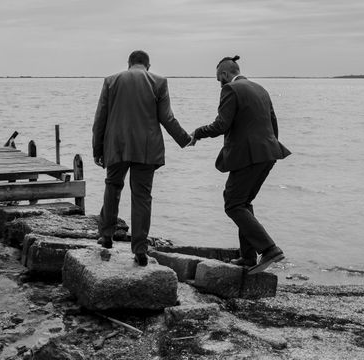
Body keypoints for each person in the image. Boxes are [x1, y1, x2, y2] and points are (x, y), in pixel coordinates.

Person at [189, 55, 291, 274]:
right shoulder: (260, 88)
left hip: (249, 156)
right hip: (269, 152)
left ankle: (269, 248)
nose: (219, 83)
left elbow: (221, 125)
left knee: (233, 204)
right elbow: (273, 123)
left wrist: (197, 133)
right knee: (243, 202)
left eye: (219, 79)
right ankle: (248, 257)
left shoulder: (230, 90)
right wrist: (267, 147)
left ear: (225, 74)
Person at [92, 50, 191, 266]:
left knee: (112, 186)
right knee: (142, 196)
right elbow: (167, 117)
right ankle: (139, 248)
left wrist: (97, 150)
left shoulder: (111, 81)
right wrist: (185, 139)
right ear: (148, 65)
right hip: (147, 148)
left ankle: (106, 236)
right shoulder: (159, 81)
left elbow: (101, 118)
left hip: (116, 145)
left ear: (129, 64)